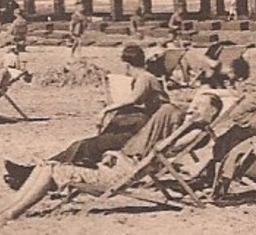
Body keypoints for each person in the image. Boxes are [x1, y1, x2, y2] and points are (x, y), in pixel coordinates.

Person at [0, 93, 224, 219]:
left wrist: (185, 124)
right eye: (192, 104)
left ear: (212, 112)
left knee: (50, 168)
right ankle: (11, 208)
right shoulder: (187, 126)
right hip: (121, 164)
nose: (192, 109)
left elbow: (163, 150)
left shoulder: (197, 133)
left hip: (122, 174)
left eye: (199, 106)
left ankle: (13, 212)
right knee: (46, 165)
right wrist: (116, 153)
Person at [23, 44, 166, 174]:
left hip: (141, 135)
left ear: (127, 65)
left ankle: (39, 171)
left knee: (85, 145)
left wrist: (106, 110)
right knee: (86, 145)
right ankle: (39, 169)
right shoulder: (147, 77)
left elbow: (132, 100)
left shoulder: (145, 78)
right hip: (143, 130)